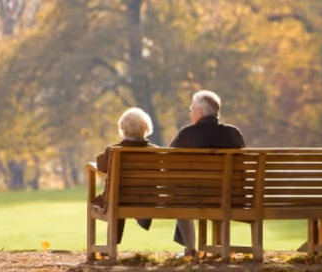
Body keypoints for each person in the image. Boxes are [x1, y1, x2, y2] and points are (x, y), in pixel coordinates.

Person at [170, 90, 246, 256]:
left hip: (194, 197)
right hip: (232, 196)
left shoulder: (187, 134)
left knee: (180, 194)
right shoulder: (233, 134)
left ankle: (190, 249)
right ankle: (215, 247)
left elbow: (168, 164)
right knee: (185, 192)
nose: (190, 114)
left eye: (192, 110)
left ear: (200, 112)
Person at [93, 107, 156, 244]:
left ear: (122, 129)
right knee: (119, 194)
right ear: (146, 128)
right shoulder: (155, 152)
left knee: (114, 196)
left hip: (117, 199)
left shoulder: (113, 151)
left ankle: (111, 245)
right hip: (145, 201)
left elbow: (100, 165)